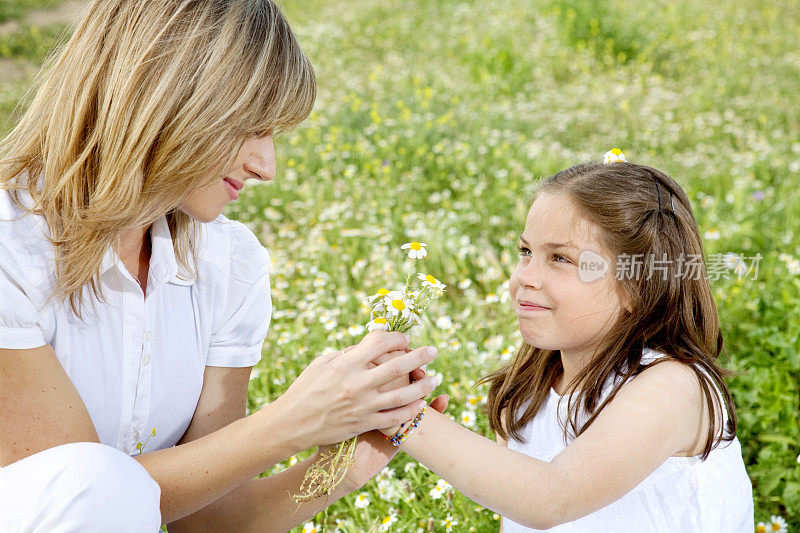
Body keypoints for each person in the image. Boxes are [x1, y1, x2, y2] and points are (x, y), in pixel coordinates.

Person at [0, 1, 446, 531]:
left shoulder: (228, 266)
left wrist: (343, 465)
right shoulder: (12, 246)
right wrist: (293, 419)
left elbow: (207, 518)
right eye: (251, 129)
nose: (267, 166)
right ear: (168, 96)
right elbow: (87, 500)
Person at [379, 156, 755, 531]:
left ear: (637, 285)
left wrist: (402, 415)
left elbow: (551, 498)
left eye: (560, 258)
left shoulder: (671, 386)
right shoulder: (528, 387)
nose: (526, 277)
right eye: (526, 252)